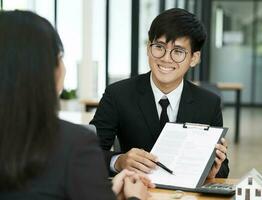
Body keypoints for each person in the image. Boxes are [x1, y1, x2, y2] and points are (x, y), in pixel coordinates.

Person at [0, 10, 153, 200]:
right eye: (60, 56)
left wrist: (105, 193)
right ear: (47, 69)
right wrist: (135, 198)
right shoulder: (73, 144)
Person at [90, 8, 229, 178]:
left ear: (194, 58)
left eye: (178, 51)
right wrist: (118, 161)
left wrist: (213, 171)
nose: (165, 58)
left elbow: (223, 169)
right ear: (149, 48)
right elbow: (87, 153)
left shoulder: (209, 104)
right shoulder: (117, 94)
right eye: (159, 47)